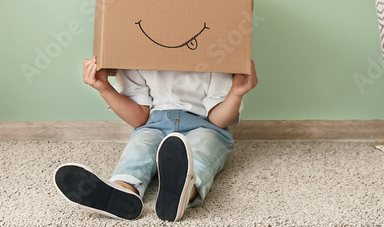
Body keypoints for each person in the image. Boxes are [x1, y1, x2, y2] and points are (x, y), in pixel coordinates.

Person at [53, 56, 258, 222]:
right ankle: (123, 190)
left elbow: (218, 119)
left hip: (205, 125)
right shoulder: (136, 52)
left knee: (202, 147)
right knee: (140, 148)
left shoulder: (216, 55)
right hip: (154, 124)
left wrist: (236, 93)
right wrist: (105, 88)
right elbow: (139, 118)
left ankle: (184, 192)